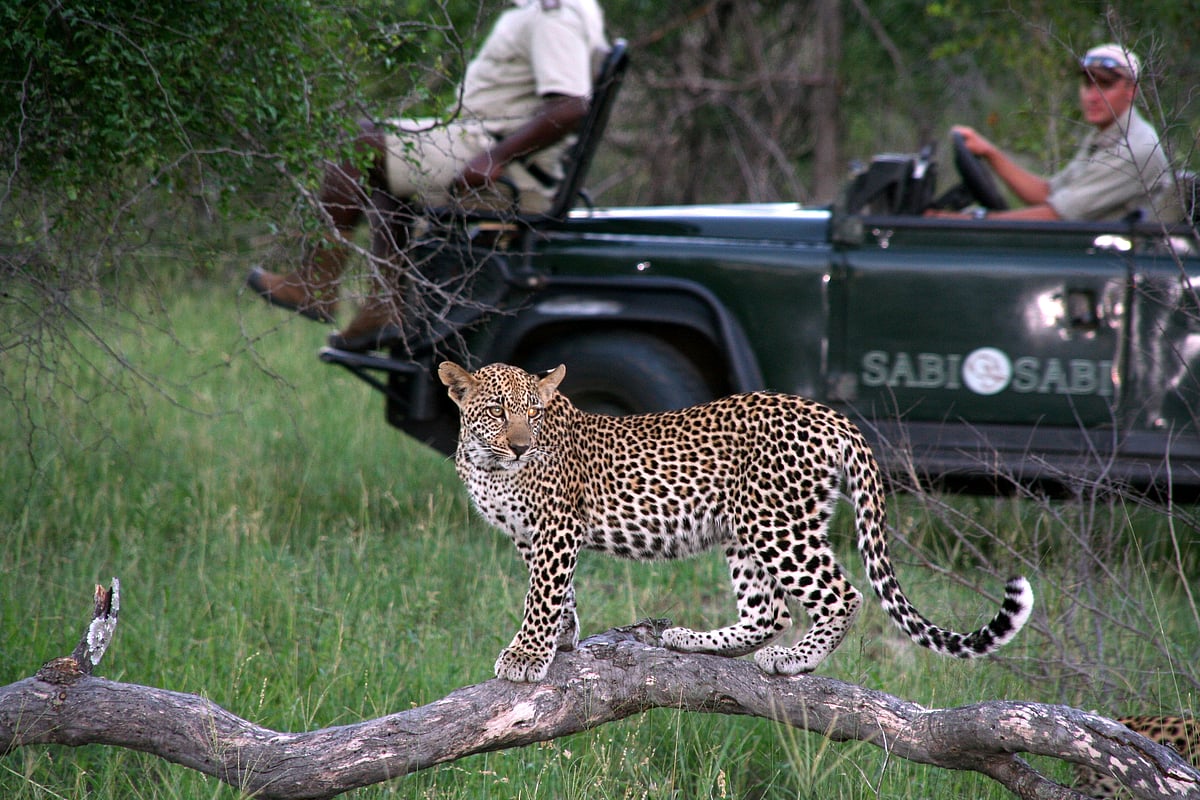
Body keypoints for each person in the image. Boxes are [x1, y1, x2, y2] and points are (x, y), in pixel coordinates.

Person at [248, 0, 608, 351]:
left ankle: (317, 283)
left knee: (359, 143)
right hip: (488, 146)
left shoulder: (556, 12)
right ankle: (384, 305)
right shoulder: (555, 9)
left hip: (505, 164)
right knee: (390, 157)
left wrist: (496, 157)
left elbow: (570, 106)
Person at [939, 43, 1177, 223]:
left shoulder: (1136, 148)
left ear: (1131, 91)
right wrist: (990, 153)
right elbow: (1048, 194)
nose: (1092, 96)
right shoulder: (1107, 135)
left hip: (1115, 271)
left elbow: (1057, 216)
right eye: (1087, 84)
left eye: (1105, 85)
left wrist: (965, 221)